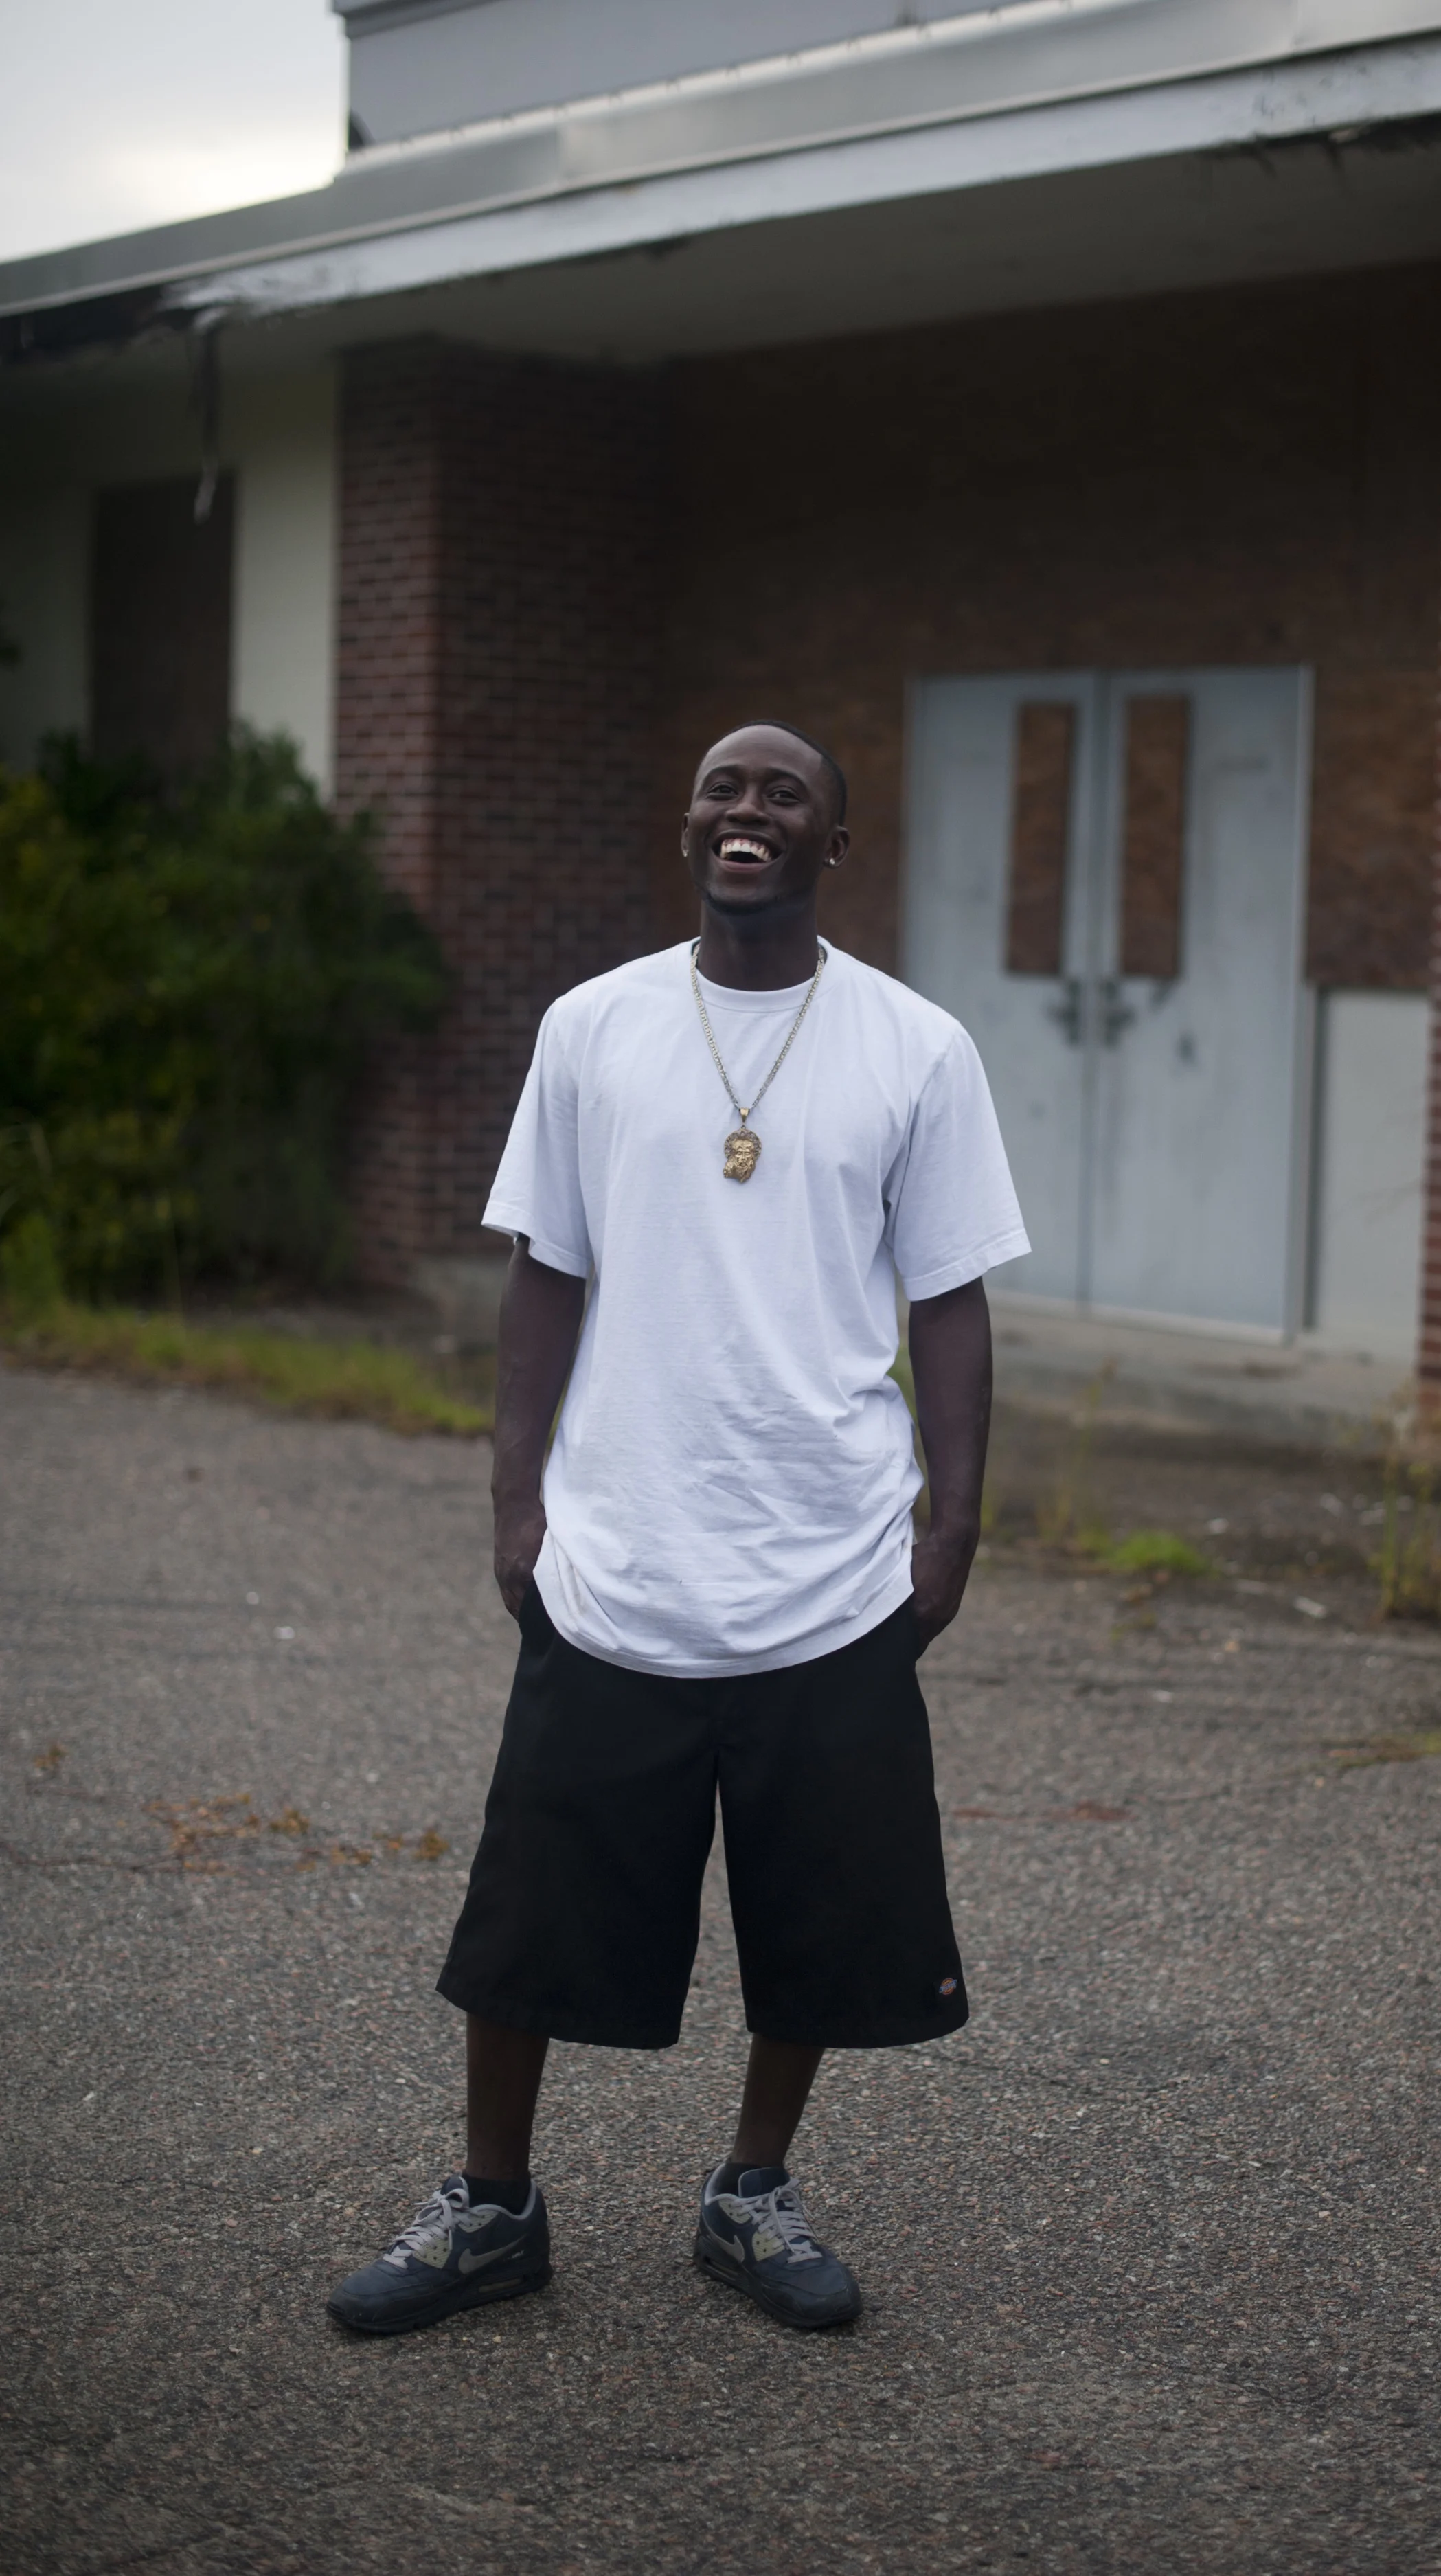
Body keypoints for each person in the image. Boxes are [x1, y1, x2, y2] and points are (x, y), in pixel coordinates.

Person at [328, 720, 1028, 2336]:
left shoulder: (914, 1048)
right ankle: (491, 2207)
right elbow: (544, 1271)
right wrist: (516, 1501)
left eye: (783, 794)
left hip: (832, 1563)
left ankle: (750, 2193)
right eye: (721, 785)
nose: (745, 810)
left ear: (830, 846)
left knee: (818, 1914)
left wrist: (955, 1522)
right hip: (619, 1555)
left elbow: (952, 1300)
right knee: (533, 1909)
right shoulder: (594, 1027)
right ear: (689, 822)